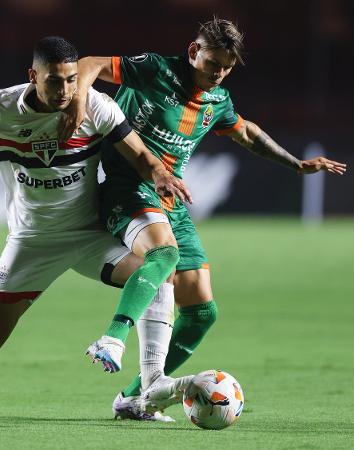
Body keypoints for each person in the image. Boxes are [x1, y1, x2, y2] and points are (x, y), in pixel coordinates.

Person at [61, 17, 347, 420]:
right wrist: (77, 103)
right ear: (194, 51)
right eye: (213, 63)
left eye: (226, 67)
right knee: (163, 256)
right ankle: (114, 337)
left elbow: (245, 133)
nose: (218, 73)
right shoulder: (156, 69)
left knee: (201, 313)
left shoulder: (218, 101)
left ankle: (133, 398)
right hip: (124, 187)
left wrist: (297, 164)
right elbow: (90, 63)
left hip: (170, 200)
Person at [0, 36, 193, 416]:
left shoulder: (95, 107)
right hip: (32, 242)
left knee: (157, 274)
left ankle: (150, 385)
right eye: (55, 81)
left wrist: (158, 174)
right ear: (33, 76)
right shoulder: (3, 107)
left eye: (71, 79)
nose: (65, 90)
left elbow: (140, 154)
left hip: (89, 235)